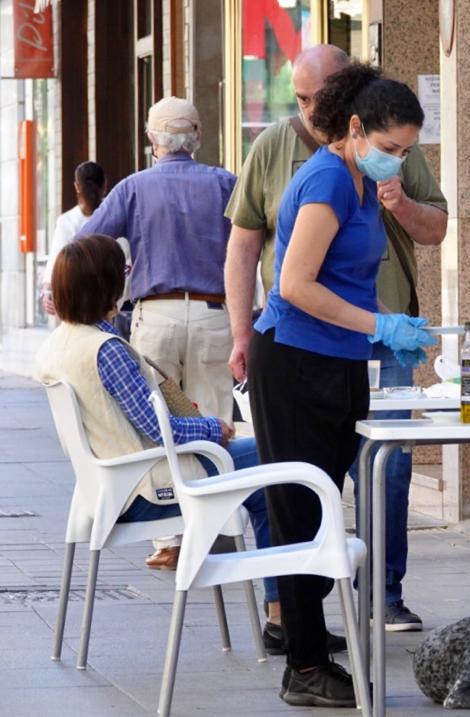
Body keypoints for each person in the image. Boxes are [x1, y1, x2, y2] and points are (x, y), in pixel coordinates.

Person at [225, 44, 447, 632]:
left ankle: (322, 642)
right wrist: (381, 325)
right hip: (299, 360)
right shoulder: (326, 179)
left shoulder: (359, 181)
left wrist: (387, 320)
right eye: (390, 150)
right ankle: (303, 659)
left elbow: (347, 276)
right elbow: (295, 284)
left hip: (336, 356)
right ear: (355, 126)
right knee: (304, 515)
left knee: (327, 508)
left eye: (404, 152)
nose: (397, 162)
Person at [32, 235, 298, 646]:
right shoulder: (106, 350)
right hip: (147, 490)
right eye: (123, 272)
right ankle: (285, 617)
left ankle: (283, 616)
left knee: (263, 474)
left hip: (104, 490)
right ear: (106, 287)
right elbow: (159, 429)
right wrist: (214, 428)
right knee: (272, 459)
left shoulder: (59, 344)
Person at [77, 96, 237, 424]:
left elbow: (84, 244)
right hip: (214, 316)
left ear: (151, 138)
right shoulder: (224, 183)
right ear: (198, 136)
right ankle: (213, 475)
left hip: (157, 316)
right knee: (216, 425)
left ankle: (168, 477)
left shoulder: (133, 188)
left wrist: (119, 274)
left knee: (157, 422)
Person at [41, 161, 106, 316]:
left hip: (76, 303)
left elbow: (56, 259)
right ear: (105, 185)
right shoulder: (114, 214)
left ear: (77, 186)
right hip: (109, 300)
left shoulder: (66, 221)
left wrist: (47, 291)